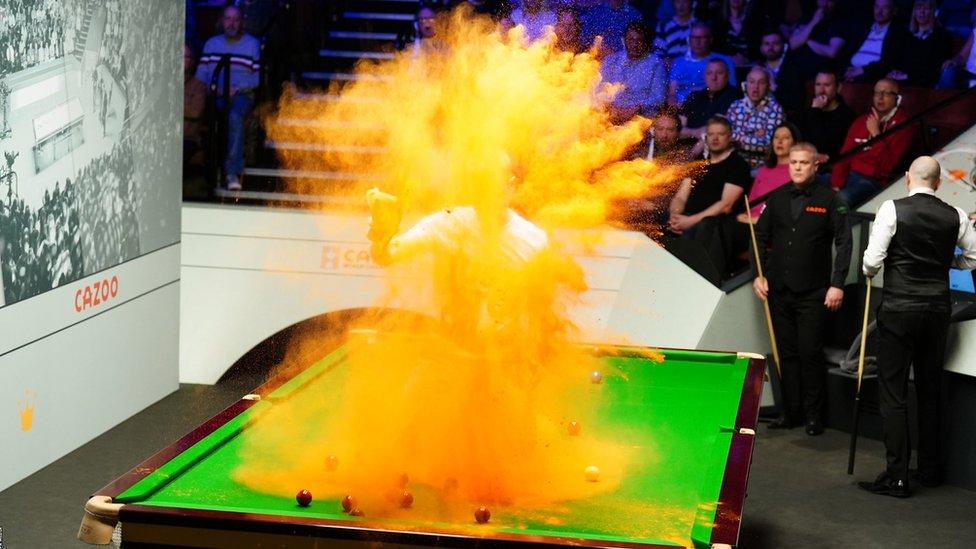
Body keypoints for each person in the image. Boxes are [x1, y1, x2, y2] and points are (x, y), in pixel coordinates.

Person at [858, 156, 976, 497]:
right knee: (930, 389)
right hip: (937, 310)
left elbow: (871, 261)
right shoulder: (955, 214)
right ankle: (929, 471)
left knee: (893, 394)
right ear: (938, 182)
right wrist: (945, 260)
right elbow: (973, 257)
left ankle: (897, 476)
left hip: (898, 309)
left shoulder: (891, 209)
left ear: (908, 178)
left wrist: (868, 272)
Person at [753, 142, 852, 436]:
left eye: (803, 163)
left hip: (813, 292)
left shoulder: (830, 200)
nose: (797, 167)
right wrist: (758, 275)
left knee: (809, 353)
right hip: (779, 291)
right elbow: (759, 237)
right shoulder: (778, 198)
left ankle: (813, 416)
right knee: (787, 354)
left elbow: (844, 242)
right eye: (793, 162)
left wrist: (837, 284)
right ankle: (790, 412)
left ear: (815, 166)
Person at [668, 116, 752, 276]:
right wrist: (675, 216)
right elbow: (681, 196)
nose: (714, 138)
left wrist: (689, 221)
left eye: (720, 134)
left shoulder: (737, 164)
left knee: (705, 226)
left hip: (714, 221)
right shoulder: (699, 163)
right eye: (711, 134)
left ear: (729, 137)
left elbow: (726, 204)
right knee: (657, 219)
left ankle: (691, 280)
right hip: (687, 218)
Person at [195, 5, 261, 191]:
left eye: (236, 19)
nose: (231, 23)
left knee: (233, 116)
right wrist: (214, 89)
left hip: (241, 95)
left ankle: (232, 171)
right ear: (221, 21)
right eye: (228, 18)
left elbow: (256, 78)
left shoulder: (252, 44)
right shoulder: (211, 44)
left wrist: (236, 89)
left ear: (242, 23)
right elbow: (201, 75)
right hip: (214, 95)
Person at [831, 77, 912, 207]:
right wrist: (836, 184)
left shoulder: (903, 126)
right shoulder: (862, 120)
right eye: (877, 92)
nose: (880, 97)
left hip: (872, 182)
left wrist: (876, 134)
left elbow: (887, 166)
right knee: (808, 182)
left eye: (886, 93)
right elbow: (845, 155)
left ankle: (836, 227)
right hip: (849, 175)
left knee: (842, 199)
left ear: (897, 99)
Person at [601, 22, 667, 122]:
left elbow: (658, 97)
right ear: (624, 41)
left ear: (646, 42)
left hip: (642, 119)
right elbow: (599, 89)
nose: (635, 44)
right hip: (611, 115)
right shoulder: (611, 61)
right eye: (631, 40)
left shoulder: (656, 64)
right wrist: (611, 108)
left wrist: (637, 108)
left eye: (639, 40)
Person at [738, 121, 800, 223]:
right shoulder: (763, 171)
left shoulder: (799, 172)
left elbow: (792, 213)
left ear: (795, 143)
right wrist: (744, 216)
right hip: (750, 223)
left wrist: (758, 221)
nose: (779, 141)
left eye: (785, 138)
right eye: (776, 137)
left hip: (774, 227)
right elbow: (750, 205)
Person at [725, 66, 784, 169]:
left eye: (761, 83)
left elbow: (768, 145)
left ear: (768, 86)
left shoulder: (775, 109)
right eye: (752, 82)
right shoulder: (735, 106)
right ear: (745, 84)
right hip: (733, 163)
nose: (755, 87)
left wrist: (738, 137)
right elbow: (725, 137)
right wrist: (752, 135)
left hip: (760, 167)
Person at [886, 0, 953, 88]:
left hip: (924, 82)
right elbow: (896, 58)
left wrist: (908, 76)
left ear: (934, 12)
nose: (921, 12)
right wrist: (894, 71)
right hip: (901, 79)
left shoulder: (942, 36)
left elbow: (934, 67)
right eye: (918, 8)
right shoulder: (905, 35)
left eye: (926, 8)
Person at [794, 70, 856, 165]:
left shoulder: (846, 116)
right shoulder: (807, 111)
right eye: (818, 85)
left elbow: (823, 145)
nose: (821, 90)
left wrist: (815, 111)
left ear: (838, 88)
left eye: (827, 85)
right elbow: (797, 140)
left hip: (827, 168)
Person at [667, 23, 737, 106]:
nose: (697, 42)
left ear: (710, 40)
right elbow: (672, 93)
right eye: (694, 38)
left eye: (702, 38)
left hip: (711, 105)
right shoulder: (678, 62)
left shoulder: (724, 61)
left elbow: (732, 90)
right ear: (689, 40)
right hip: (681, 107)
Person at [787, 0, 851, 85]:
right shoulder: (808, 18)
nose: (824, 3)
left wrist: (806, 39)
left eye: (829, 1)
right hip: (796, 71)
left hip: (820, 73)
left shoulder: (839, 23)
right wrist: (813, 22)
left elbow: (831, 52)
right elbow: (793, 44)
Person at [842, 0, 906, 84]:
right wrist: (848, 70)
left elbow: (889, 61)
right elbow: (847, 53)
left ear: (894, 11)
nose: (879, 11)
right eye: (877, 7)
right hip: (851, 72)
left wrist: (862, 70)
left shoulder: (898, 33)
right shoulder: (863, 29)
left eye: (885, 8)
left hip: (872, 76)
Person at [679, 58, 741, 141]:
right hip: (686, 146)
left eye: (719, 73)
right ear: (705, 76)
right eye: (709, 73)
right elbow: (677, 130)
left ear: (728, 75)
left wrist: (689, 134)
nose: (713, 77)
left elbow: (714, 131)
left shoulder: (735, 97)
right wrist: (694, 132)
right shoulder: (694, 96)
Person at [937, 5, 976, 89]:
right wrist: (954, 61)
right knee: (948, 73)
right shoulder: (975, 32)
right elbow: (962, 56)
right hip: (968, 73)